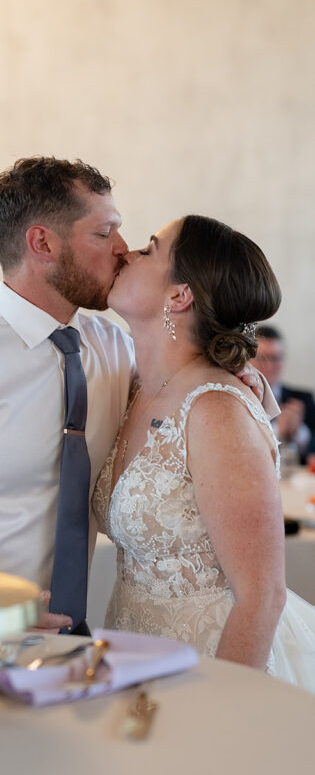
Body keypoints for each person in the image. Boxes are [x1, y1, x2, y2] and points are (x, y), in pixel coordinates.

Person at [0, 158, 274, 632]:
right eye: (103, 233)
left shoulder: (114, 351)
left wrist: (238, 371)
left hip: (78, 660)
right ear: (43, 243)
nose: (122, 249)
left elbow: (192, 390)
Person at [92, 215, 315, 688]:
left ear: (179, 295)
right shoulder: (133, 389)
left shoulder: (214, 409)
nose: (128, 253)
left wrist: (222, 708)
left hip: (212, 663)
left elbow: (263, 596)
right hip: (134, 654)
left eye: (151, 249)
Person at [251, 325, 315, 463]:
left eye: (275, 358)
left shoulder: (302, 399)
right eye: (262, 358)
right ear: (248, 359)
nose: (269, 366)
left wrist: (298, 432)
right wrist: (278, 430)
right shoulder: (240, 400)